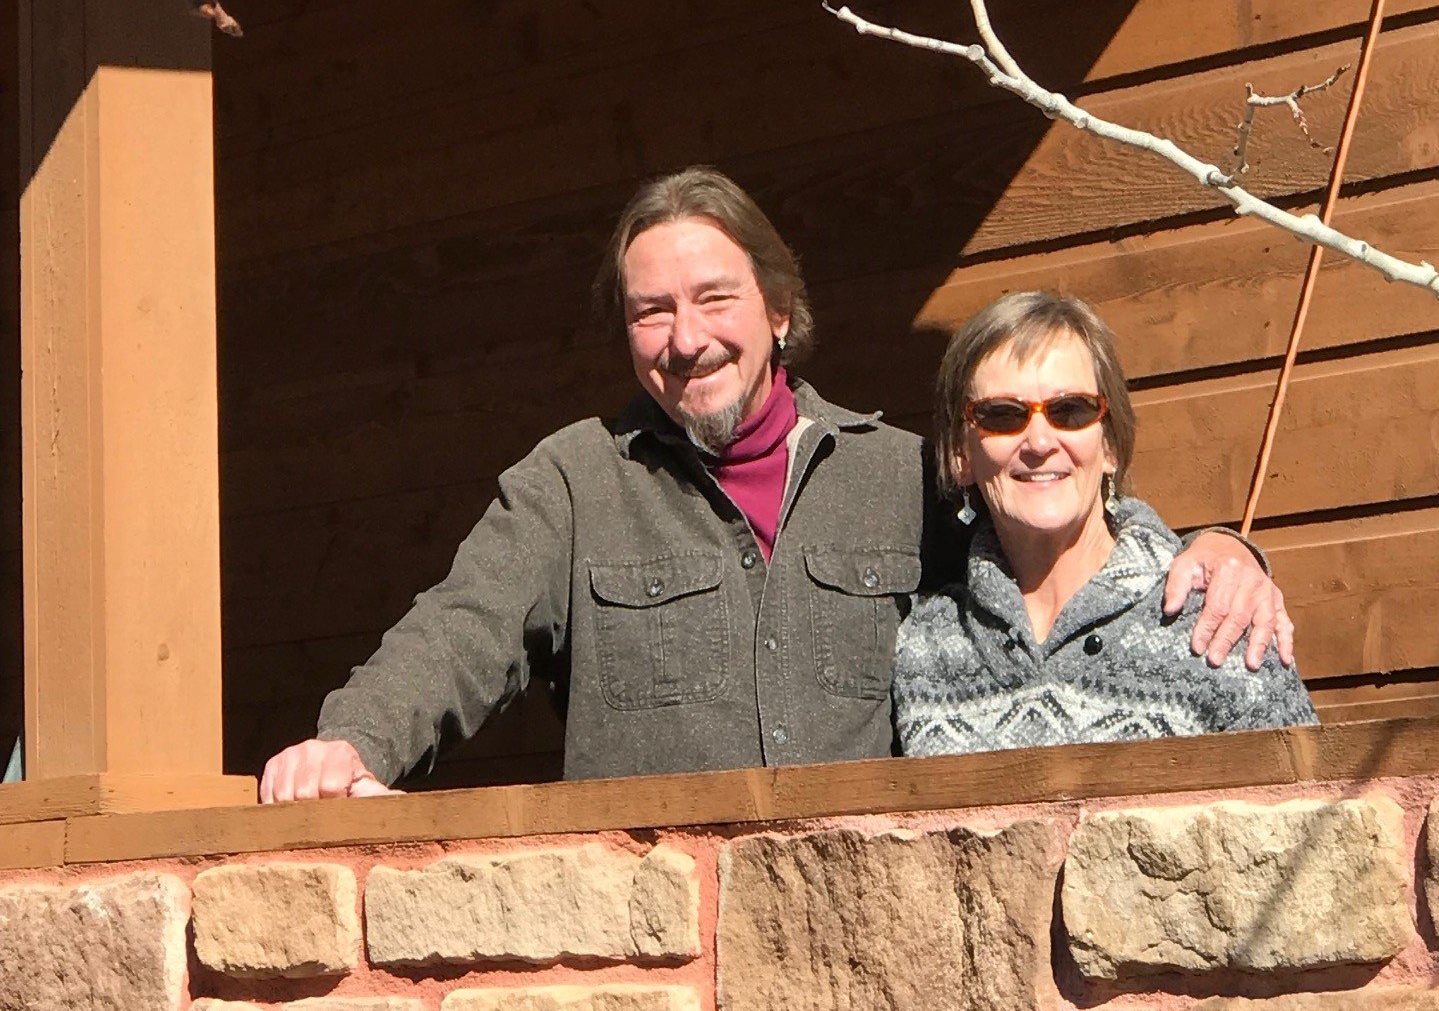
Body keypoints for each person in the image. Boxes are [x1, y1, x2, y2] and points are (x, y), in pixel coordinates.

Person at [260, 169, 1295, 800]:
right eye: (650, 312)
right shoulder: (574, 482)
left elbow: (1038, 508)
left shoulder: (898, 474)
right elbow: (458, 631)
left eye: (715, 297)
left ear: (779, 311)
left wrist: (1214, 550)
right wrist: (349, 742)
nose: (686, 337)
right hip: (660, 946)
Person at [893, 290, 1316, 755]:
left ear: (1111, 445)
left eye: (1069, 411)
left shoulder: (1220, 618)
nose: (1039, 441)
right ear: (960, 455)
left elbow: (1318, 813)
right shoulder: (922, 645)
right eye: (1002, 415)